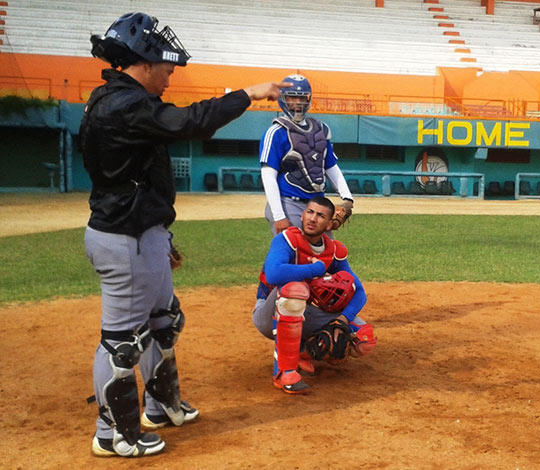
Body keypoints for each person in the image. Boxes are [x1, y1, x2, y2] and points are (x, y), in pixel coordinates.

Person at [80, 12, 289, 458]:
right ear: (144, 62)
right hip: (125, 238)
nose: (170, 78)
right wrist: (247, 94)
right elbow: (189, 122)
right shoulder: (125, 104)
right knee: (122, 342)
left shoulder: (118, 101)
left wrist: (162, 237)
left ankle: (161, 405)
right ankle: (112, 433)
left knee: (163, 324)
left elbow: (143, 174)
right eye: (167, 70)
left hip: (142, 232)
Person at [252, 196, 377, 393]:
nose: (312, 218)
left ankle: (305, 350)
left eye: (320, 215)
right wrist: (314, 269)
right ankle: (284, 372)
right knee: (295, 290)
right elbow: (274, 273)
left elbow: (358, 292)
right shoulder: (286, 240)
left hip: (304, 311)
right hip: (269, 312)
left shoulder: (333, 250)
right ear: (301, 215)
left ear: (329, 224)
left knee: (363, 340)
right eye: (309, 212)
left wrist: (342, 320)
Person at [259, 74, 354, 235]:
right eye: (292, 97)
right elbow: (268, 176)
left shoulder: (321, 129)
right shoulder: (276, 132)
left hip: (317, 205)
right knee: (292, 255)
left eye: (302, 98)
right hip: (288, 203)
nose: (297, 102)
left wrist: (347, 198)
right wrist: (279, 215)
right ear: (283, 99)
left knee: (326, 254)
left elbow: (330, 166)